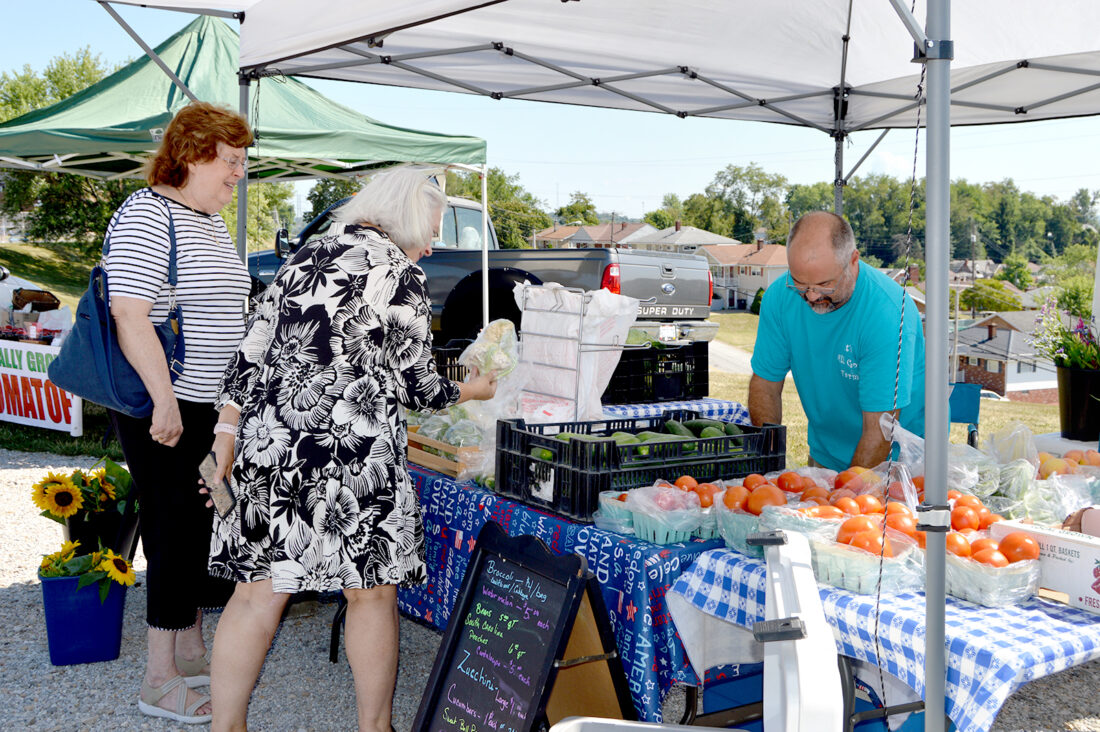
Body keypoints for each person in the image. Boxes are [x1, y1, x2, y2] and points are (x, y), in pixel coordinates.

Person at [204, 166, 497, 732]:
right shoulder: (400, 274)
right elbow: (420, 386)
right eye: (432, 230)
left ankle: (226, 726)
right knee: (370, 595)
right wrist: (475, 386)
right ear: (406, 219)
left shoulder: (304, 256)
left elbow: (250, 352)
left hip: (271, 448)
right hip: (353, 458)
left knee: (255, 595)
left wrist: (226, 432)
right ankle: (375, 727)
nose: (433, 245)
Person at [104, 102, 253, 724]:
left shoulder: (206, 221)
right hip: (163, 408)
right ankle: (158, 679)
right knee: (176, 531)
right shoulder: (147, 213)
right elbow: (130, 314)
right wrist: (166, 401)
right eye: (231, 161)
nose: (239, 174)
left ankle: (189, 650)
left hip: (201, 408)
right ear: (191, 155)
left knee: (195, 528)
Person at [748, 211, 925, 471]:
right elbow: (765, 385)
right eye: (799, 283)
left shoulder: (887, 313)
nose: (811, 296)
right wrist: (768, 465)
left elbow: (881, 430)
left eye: (825, 285)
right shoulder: (779, 297)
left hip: (900, 463)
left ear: (853, 261)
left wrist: (845, 498)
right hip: (826, 452)